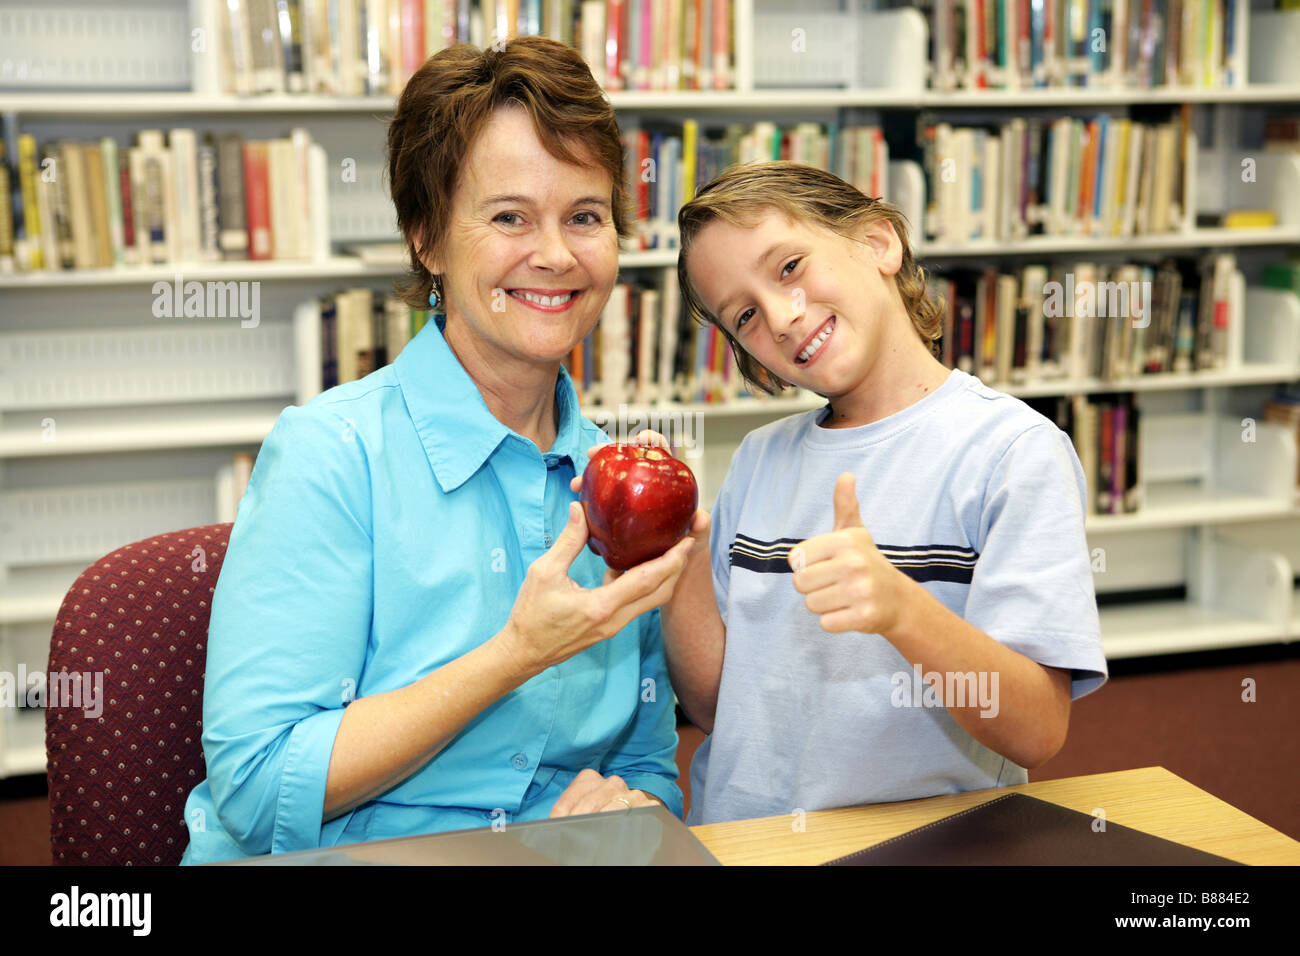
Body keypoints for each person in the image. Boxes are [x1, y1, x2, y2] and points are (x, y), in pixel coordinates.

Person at [180, 37, 696, 864]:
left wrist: (624, 811)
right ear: (427, 240)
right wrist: (516, 655)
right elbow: (256, 785)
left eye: (585, 217)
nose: (557, 256)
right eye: (508, 217)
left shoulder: (619, 482)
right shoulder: (330, 454)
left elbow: (645, 764)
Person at [662, 160, 1109, 826]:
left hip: (920, 847)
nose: (781, 319)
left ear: (878, 243)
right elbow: (717, 705)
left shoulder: (1012, 452)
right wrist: (678, 553)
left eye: (789, 267)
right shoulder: (758, 460)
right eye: (745, 316)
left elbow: (1036, 729)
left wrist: (900, 607)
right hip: (745, 842)